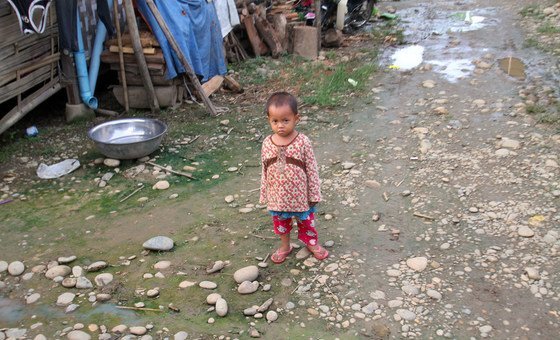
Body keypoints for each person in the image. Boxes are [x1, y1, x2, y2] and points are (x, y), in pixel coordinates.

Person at [260, 92, 329, 264]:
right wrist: (264, 194)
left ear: (296, 118)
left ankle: (311, 243)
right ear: (269, 119)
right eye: (275, 121)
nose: (280, 126)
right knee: (281, 223)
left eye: (285, 120)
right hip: (278, 197)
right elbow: (264, 170)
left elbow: (312, 169)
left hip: (301, 197)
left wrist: (314, 194)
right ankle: (285, 246)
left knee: (306, 221)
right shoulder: (267, 143)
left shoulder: (302, 142)